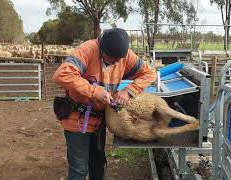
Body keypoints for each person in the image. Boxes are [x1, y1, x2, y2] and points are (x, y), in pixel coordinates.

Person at [53, 28, 156, 180]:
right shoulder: (88, 50)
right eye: (111, 58)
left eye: (118, 60)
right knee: (79, 169)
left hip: (99, 121)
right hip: (77, 119)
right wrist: (94, 91)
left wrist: (128, 91)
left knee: (98, 166)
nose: (116, 62)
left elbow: (149, 73)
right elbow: (62, 75)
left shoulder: (124, 56)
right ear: (101, 47)